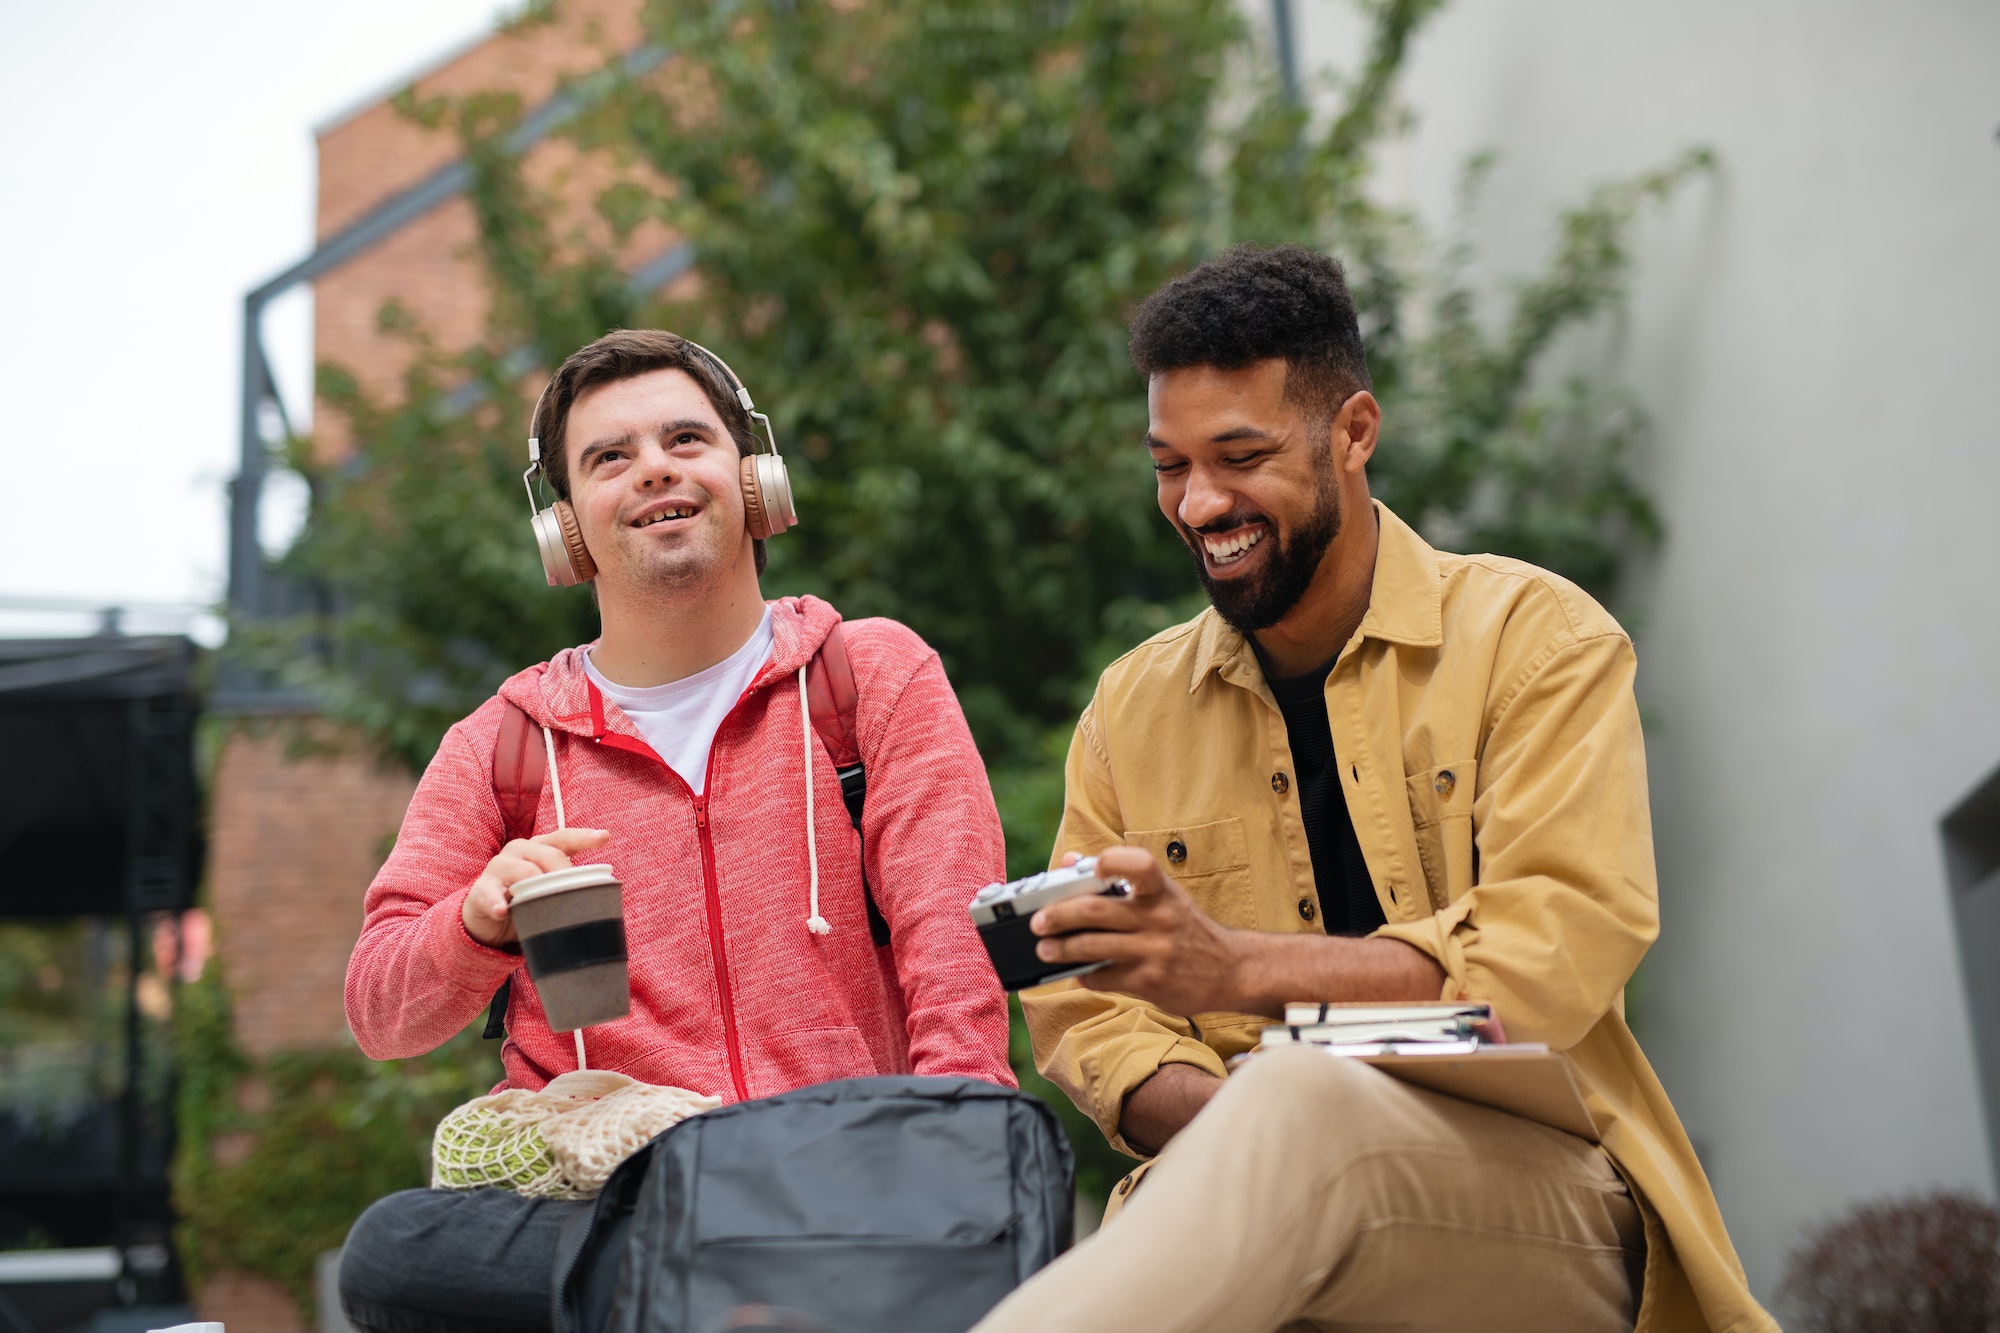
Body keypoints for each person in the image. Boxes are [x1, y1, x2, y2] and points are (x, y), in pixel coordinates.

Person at [976, 246, 1774, 1333]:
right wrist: (1247, 1141)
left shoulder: (1535, 640)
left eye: (1239, 455)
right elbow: (1086, 1015)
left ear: (1353, 432)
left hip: (1545, 1201)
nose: (1199, 501)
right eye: (1168, 464)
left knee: (1299, 1099)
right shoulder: (1128, 711)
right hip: (1250, 1177)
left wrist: (1238, 971)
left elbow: (1550, 947)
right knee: (1280, 1119)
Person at [338, 329, 1014, 1333]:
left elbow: (951, 970)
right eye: (609, 456)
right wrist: (474, 924)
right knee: (391, 1252)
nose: (653, 465)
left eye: (686, 439)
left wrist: (940, 1172)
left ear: (753, 479)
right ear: (564, 527)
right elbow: (379, 1008)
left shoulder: (868, 678)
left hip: (846, 1180)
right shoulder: (501, 746)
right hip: (618, 1207)